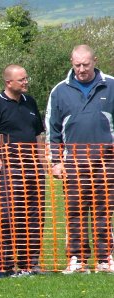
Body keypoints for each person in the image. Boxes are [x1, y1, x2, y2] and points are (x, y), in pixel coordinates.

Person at [46, 44, 114, 273]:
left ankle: (105, 259)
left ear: (95, 60)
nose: (82, 69)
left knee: (104, 210)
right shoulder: (59, 91)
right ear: (71, 62)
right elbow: (52, 131)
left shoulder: (111, 85)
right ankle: (77, 258)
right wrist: (55, 161)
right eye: (77, 65)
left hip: (107, 162)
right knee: (74, 211)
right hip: (73, 164)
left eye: (86, 64)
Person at [0, 64, 45, 277]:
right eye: (21, 79)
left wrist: (42, 160)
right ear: (9, 82)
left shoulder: (31, 102)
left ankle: (30, 263)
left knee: (34, 215)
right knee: (8, 215)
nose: (26, 82)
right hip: (10, 169)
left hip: (33, 168)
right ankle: (4, 264)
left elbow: (38, 134)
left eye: (26, 78)